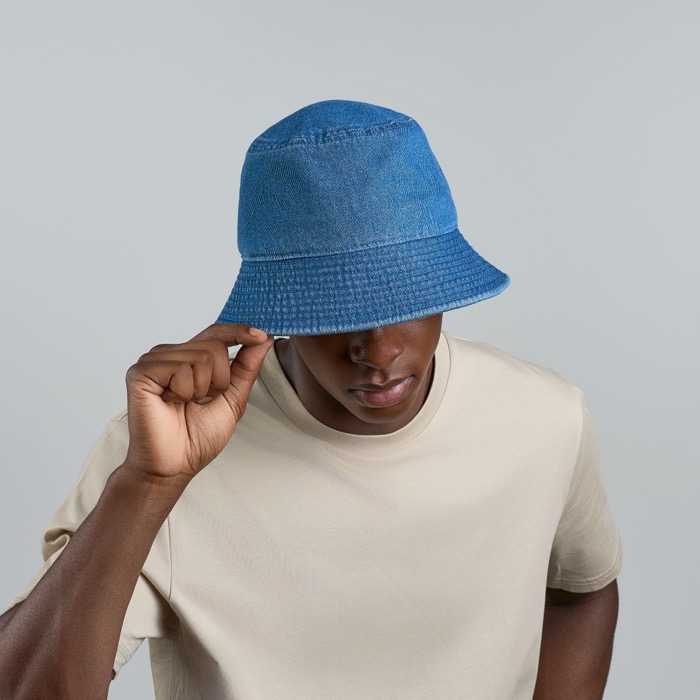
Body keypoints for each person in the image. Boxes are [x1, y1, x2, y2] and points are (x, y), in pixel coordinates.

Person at [0, 100, 621, 699]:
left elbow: (581, 590)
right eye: (337, 309)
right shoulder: (161, 450)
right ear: (280, 311)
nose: (378, 350)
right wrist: (148, 486)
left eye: (407, 299)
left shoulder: (543, 418)